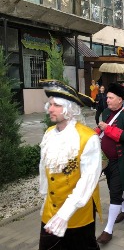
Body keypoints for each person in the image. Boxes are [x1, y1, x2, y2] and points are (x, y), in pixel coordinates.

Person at [38, 79, 102, 250]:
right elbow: (43, 168)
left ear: (70, 109)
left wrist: (65, 214)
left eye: (56, 105)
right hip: (50, 213)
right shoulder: (49, 133)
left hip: (77, 215)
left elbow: (88, 180)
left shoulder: (89, 138)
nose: (50, 109)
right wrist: (45, 197)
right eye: (50, 104)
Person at [95, 82, 124, 245]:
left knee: (114, 191)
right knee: (114, 187)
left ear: (120, 100)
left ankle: (108, 230)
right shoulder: (106, 112)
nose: (106, 100)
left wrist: (107, 128)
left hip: (121, 161)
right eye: (107, 97)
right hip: (106, 161)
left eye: (110, 97)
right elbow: (100, 130)